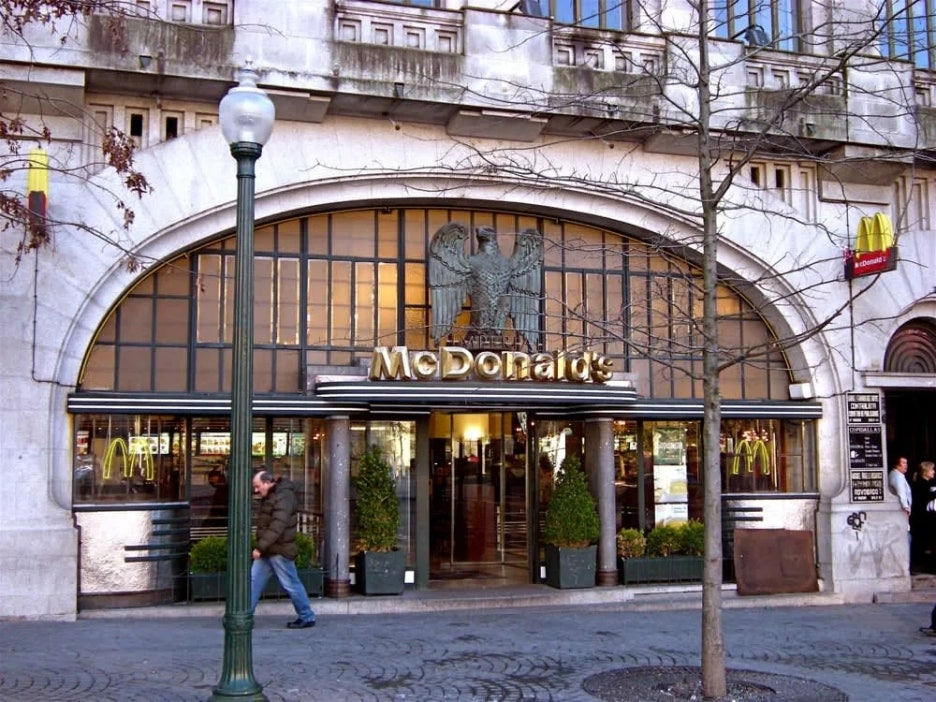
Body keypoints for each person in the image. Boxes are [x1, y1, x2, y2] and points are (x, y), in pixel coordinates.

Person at [251, 470, 316, 629]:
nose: (256, 490)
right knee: (253, 582)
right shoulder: (275, 496)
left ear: (267, 483)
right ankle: (245, 615)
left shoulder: (283, 496)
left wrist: (260, 547)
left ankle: (307, 616)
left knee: (290, 584)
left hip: (279, 550)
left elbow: (277, 526)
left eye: (258, 486)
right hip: (271, 549)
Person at [910, 461, 936, 573]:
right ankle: (924, 566)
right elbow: (923, 498)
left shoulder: (928, 483)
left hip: (926, 518)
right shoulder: (920, 484)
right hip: (922, 519)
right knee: (924, 543)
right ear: (926, 471)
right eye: (932, 470)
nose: (933, 472)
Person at [888, 456, 912, 568]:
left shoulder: (896, 475)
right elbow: (901, 492)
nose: (906, 465)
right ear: (897, 464)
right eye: (903, 463)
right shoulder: (897, 476)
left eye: (906, 463)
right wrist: (906, 507)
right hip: (901, 511)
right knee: (907, 537)